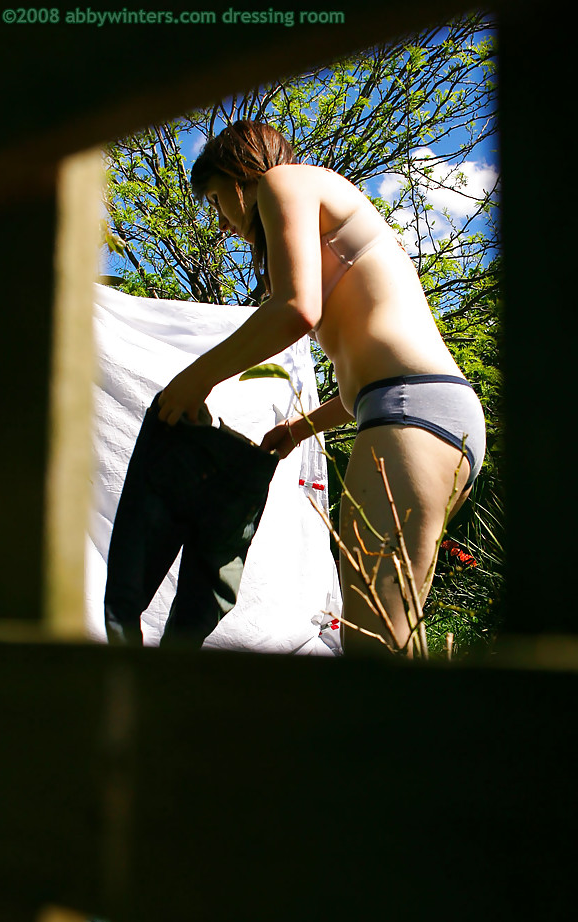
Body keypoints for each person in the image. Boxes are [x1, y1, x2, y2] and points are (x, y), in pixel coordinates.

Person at [157, 120, 486, 656]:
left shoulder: (283, 181)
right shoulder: (324, 223)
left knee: (371, 646)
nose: (221, 223)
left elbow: (295, 310)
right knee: (396, 641)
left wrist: (195, 379)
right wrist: (300, 427)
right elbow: (367, 378)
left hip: (411, 410)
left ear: (241, 175)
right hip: (431, 410)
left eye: (216, 200)